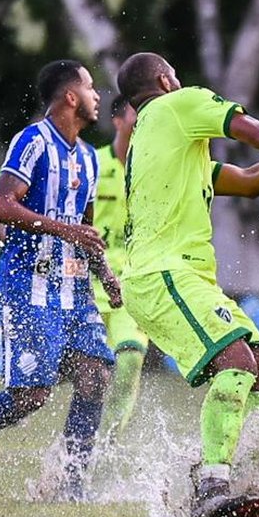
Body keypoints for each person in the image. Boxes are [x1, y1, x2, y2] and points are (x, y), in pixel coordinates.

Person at [117, 51, 259, 517]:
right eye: (176, 72)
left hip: (181, 279)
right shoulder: (180, 104)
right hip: (165, 274)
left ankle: (258, 480)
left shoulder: (165, 142)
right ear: (164, 79)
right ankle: (212, 486)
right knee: (236, 363)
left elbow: (255, 180)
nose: (181, 78)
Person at [0, 59, 122, 502]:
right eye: (91, 87)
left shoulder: (87, 158)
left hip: (74, 288)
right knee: (31, 394)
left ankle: (72, 481)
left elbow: (85, 223)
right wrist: (65, 230)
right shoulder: (33, 141)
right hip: (28, 285)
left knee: (96, 375)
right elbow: (0, 206)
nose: (99, 96)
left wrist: (104, 271)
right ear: (71, 97)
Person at [90, 96, 150, 443]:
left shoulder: (153, 170)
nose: (143, 120)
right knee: (91, 373)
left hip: (133, 287)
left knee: (129, 361)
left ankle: (106, 443)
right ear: (116, 120)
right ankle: (80, 440)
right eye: (136, 113)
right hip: (89, 283)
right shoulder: (93, 164)